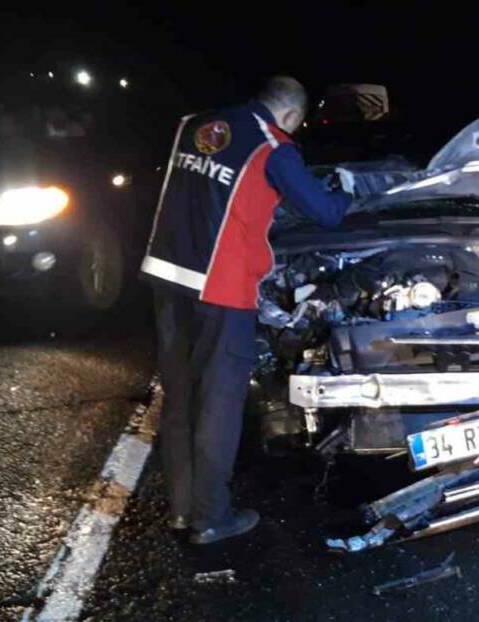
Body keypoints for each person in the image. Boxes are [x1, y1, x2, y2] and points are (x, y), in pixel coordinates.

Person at [140, 76, 352, 544]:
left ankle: (182, 510)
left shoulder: (194, 125)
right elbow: (327, 213)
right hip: (221, 287)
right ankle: (211, 518)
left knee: (181, 397)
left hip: (169, 277)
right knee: (218, 404)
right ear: (291, 116)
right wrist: (349, 190)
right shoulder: (273, 147)